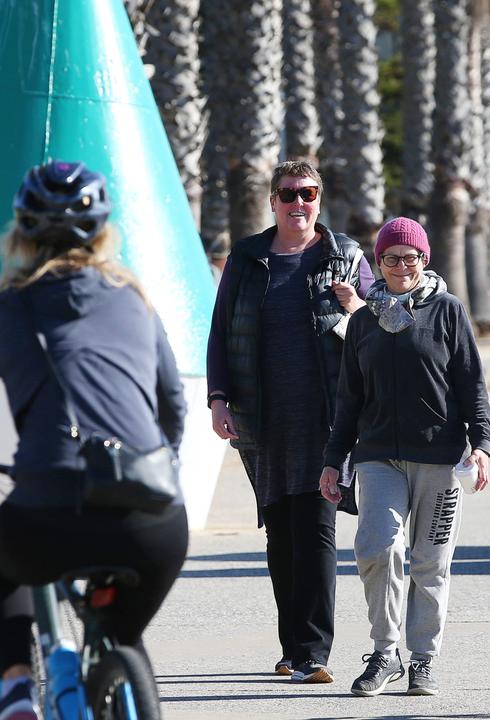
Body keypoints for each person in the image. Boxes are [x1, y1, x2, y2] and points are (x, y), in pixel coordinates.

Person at [0, 161, 190, 720]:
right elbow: (173, 406)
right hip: (153, 518)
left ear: (19, 232)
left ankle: (14, 687)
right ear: (106, 232)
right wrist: (163, 465)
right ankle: (121, 669)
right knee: (123, 634)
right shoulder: (135, 299)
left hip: (48, 508)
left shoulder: (5, 309)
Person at [207, 160, 373, 684]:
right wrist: (218, 399)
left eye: (308, 194)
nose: (298, 204)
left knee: (318, 528)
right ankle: (291, 646)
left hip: (328, 419)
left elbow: (385, 327)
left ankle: (315, 652)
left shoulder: (344, 256)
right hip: (264, 418)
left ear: (319, 199)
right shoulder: (248, 258)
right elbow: (219, 332)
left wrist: (359, 305)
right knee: (280, 532)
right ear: (272, 201)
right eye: (288, 194)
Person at [319, 216, 490, 698]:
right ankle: (384, 651)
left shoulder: (448, 311)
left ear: (425, 259)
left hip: (439, 456)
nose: (401, 266)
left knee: (429, 561)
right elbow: (348, 397)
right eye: (391, 258)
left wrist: (481, 446)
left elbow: (471, 384)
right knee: (376, 548)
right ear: (379, 263)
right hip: (377, 455)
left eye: (410, 257)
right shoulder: (363, 322)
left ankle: (423, 658)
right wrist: (334, 459)